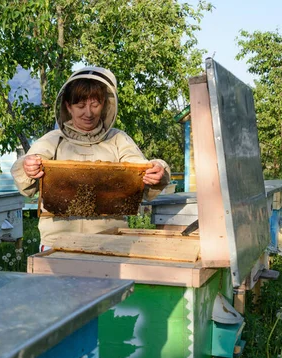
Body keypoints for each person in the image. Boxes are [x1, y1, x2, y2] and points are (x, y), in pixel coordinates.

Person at [11, 67, 170, 251]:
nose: (88, 113)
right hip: (58, 244)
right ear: (68, 107)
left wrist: (157, 170)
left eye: (95, 105)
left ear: (105, 105)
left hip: (110, 243)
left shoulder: (118, 139)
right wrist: (27, 167)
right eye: (80, 106)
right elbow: (24, 177)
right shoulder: (52, 140)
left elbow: (140, 167)